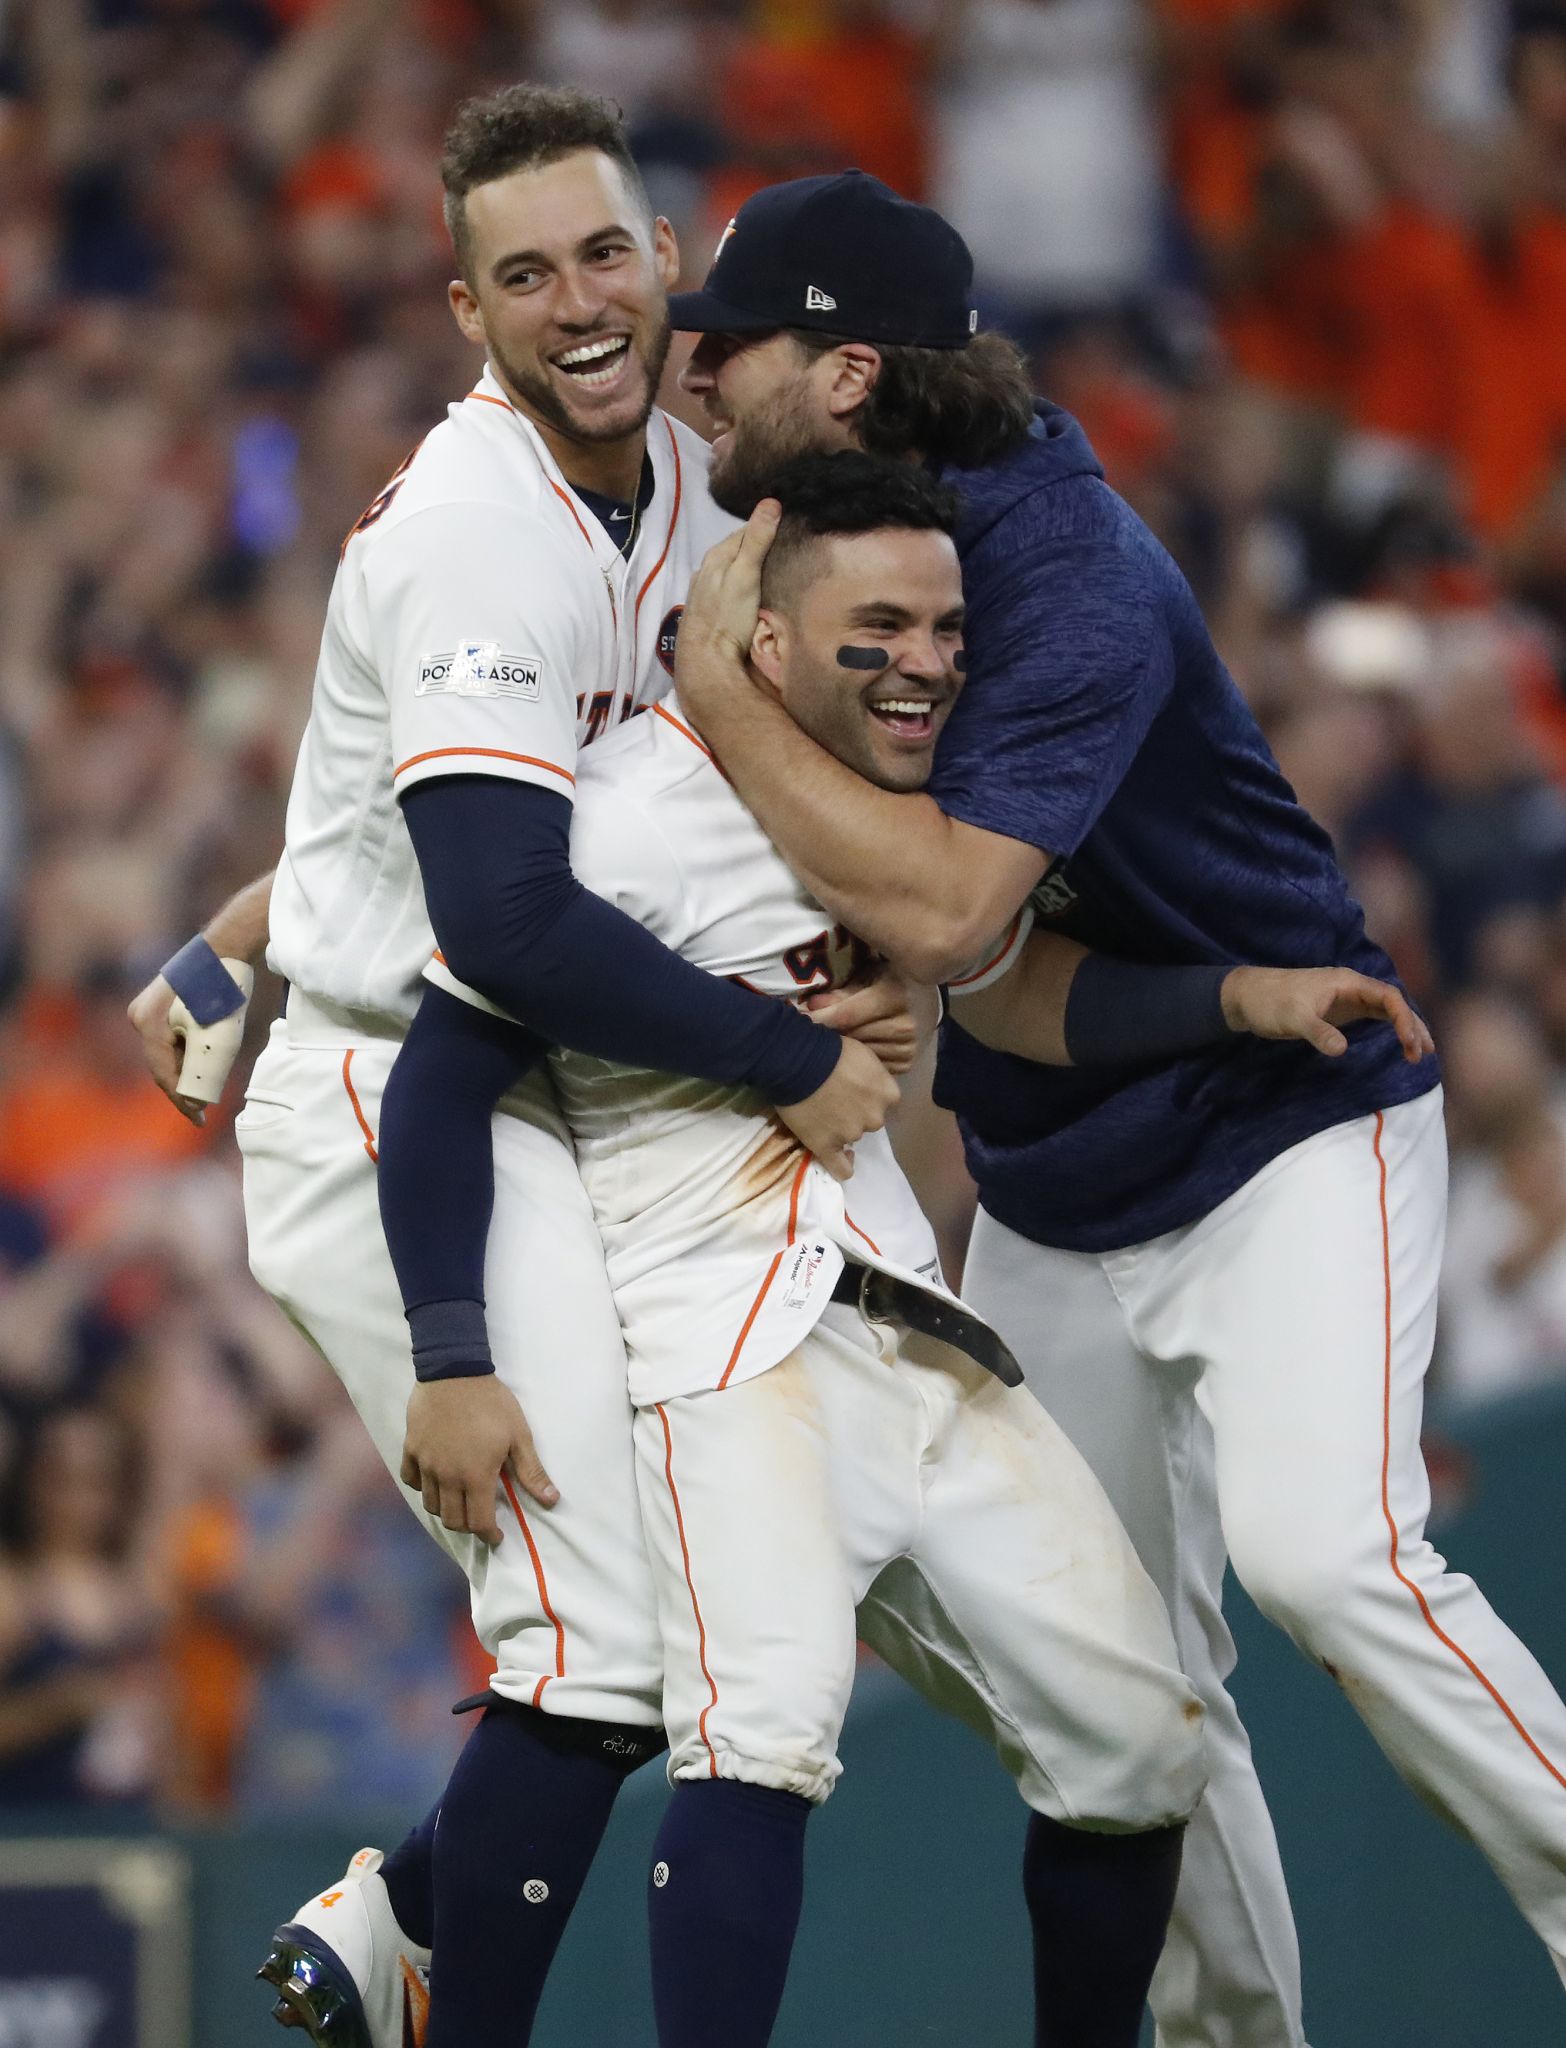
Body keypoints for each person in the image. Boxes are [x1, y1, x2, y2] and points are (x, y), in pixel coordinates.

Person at [663, 170, 1566, 2035]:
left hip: (1282, 1129)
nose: (691, 377)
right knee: (1104, 1679)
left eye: (727, 344)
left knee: (1333, 1560)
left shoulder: (1056, 572)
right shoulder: (839, 530)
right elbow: (1000, 979)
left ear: (841, 375)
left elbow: (944, 911)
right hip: (1067, 1174)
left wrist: (722, 701)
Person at [376, 448, 1428, 2048]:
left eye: (946, 624)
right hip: (724, 1350)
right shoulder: (624, 818)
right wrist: (453, 1352)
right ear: (768, 645)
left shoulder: (889, 816)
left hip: (914, 1326)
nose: (929, 658)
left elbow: (1003, 983)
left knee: (1139, 1743)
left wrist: (1240, 996)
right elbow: (442, 1080)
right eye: (882, 623)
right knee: (760, 1741)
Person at [134, 86, 907, 2048]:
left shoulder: (672, 466)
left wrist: (235, 925)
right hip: (400, 1098)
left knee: (678, 1630)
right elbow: (497, 919)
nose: (579, 299)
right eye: (525, 272)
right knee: (618, 1645)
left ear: (666, 261)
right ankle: (418, 1937)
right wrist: (781, 1054)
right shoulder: (484, 525)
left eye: (605, 252)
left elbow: (457, 793)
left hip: (511, 1087)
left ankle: (408, 1902)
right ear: (463, 305)